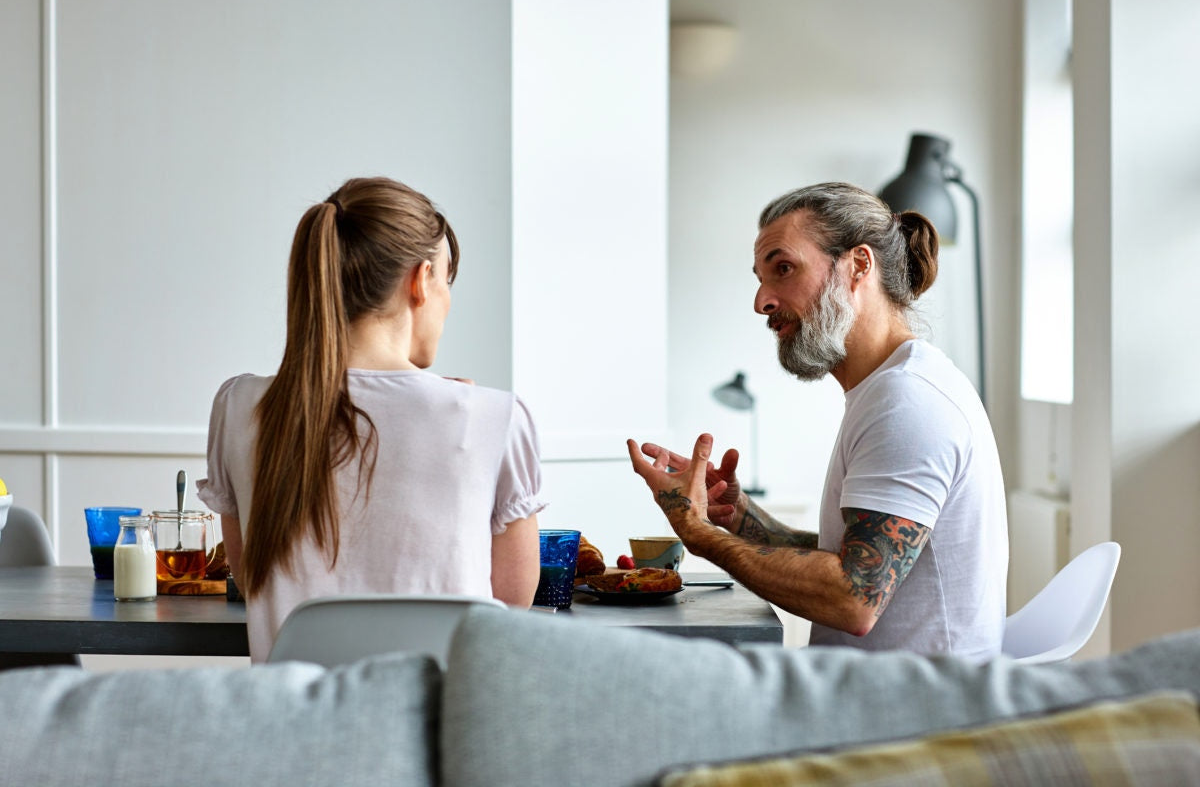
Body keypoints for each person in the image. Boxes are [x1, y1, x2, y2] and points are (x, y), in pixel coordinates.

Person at [628, 182, 1008, 660]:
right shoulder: (893, 387)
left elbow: (853, 597)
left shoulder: (907, 401)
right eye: (760, 278)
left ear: (858, 265)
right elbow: (854, 555)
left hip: (909, 701)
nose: (761, 301)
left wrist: (699, 534)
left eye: (784, 269)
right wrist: (740, 517)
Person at [198, 176, 544, 662]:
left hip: (290, 709)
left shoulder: (239, 406)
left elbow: (252, 575)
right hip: (441, 710)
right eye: (447, 281)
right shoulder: (495, 417)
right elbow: (506, 607)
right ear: (421, 281)